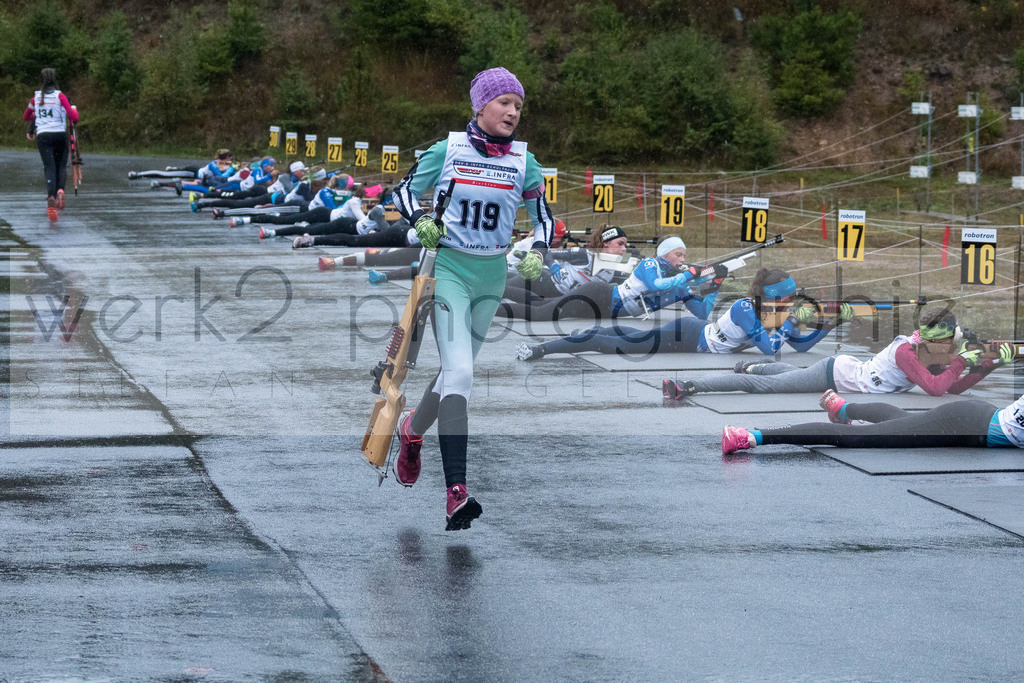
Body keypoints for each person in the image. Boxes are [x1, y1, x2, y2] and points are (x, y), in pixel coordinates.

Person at [390, 67, 556, 530]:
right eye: (504, 102)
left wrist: (536, 251)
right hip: (449, 271)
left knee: (452, 376)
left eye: (518, 106)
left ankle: (410, 431)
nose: (512, 112)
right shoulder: (448, 150)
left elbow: (543, 219)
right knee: (461, 372)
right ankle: (455, 491)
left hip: (492, 277)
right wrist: (420, 220)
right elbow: (403, 191)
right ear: (481, 105)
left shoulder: (525, 161)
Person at [662, 306, 1012, 398]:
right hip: (835, 374)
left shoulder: (929, 350)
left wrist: (987, 367)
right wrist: (962, 360)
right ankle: (691, 385)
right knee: (768, 389)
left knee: (789, 377)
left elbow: (950, 387)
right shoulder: (909, 351)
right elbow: (937, 389)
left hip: (846, 375)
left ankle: (749, 367)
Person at [516, 267, 831, 361]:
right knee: (615, 345)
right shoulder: (746, 309)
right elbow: (770, 349)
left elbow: (800, 347)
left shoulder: (771, 313)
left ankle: (578, 337)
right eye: (788, 296)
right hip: (688, 336)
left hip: (693, 334)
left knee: (625, 337)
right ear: (775, 296)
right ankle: (541, 349)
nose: (793, 301)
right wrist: (791, 321)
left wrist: (826, 326)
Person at [721, 389, 1024, 455]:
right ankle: (750, 436)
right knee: (864, 439)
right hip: (966, 423)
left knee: (901, 422)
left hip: (974, 422)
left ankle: (843, 408)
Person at [24, 68, 79, 221]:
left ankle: (51, 197)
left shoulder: (35, 99)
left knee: (49, 167)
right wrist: (75, 112)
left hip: (43, 136)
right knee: (61, 165)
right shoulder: (60, 96)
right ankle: (60, 189)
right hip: (60, 135)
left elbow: (26, 116)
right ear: (54, 80)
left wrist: (36, 115)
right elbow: (73, 116)